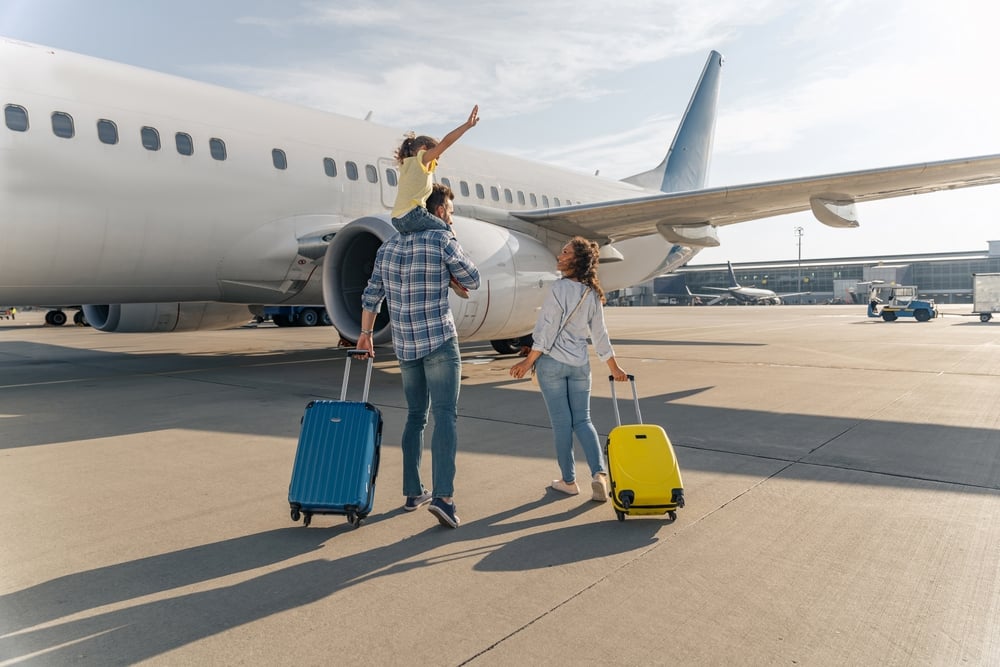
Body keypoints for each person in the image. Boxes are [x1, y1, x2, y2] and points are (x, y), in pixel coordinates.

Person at [357, 182, 480, 528]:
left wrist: (366, 336)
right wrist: (451, 240)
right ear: (439, 211)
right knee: (445, 417)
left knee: (415, 417)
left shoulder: (389, 246)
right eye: (450, 212)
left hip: (405, 346)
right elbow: (474, 276)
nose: (451, 217)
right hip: (439, 341)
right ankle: (444, 497)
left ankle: (413, 491)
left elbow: (371, 296)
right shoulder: (442, 239)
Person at [509, 237, 628, 502]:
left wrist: (528, 361)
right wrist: (614, 367)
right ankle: (599, 475)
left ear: (575, 260)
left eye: (565, 253)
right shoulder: (592, 293)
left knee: (562, 424)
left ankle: (569, 481)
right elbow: (600, 335)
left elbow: (548, 329)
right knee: (583, 420)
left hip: (552, 364)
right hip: (579, 365)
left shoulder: (558, 288)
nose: (559, 256)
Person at [390, 105, 479, 236]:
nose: (436, 162)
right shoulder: (423, 158)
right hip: (413, 215)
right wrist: (466, 126)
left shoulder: (406, 164)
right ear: (424, 149)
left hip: (397, 219)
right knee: (448, 230)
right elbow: (446, 142)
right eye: (436, 156)